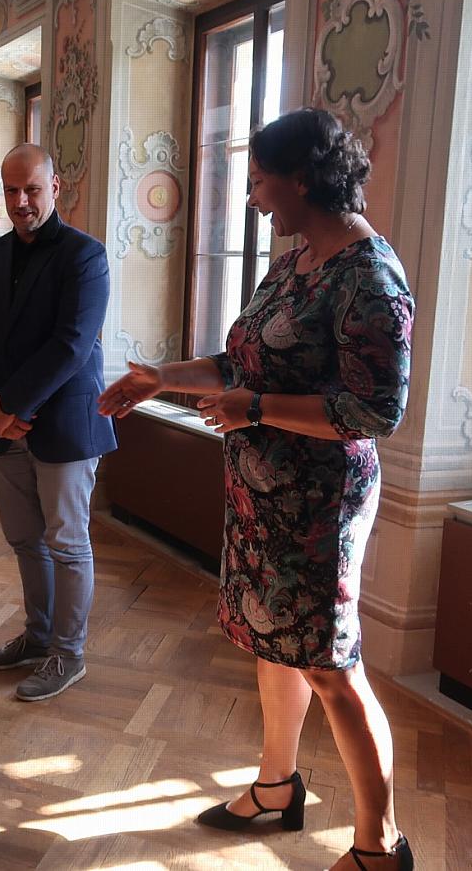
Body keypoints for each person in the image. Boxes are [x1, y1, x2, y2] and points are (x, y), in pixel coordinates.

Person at [99, 108, 414, 871]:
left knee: (332, 667)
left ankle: (381, 846)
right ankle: (277, 786)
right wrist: (160, 378)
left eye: (259, 180)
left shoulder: (369, 277)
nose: (252, 197)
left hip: (320, 504)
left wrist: (258, 410)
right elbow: (242, 364)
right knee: (276, 644)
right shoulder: (295, 263)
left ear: (302, 179)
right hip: (263, 494)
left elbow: (376, 411)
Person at [0, 143, 117, 702]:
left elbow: (71, 345)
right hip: (1, 420)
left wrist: (12, 406)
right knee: (25, 540)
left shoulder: (85, 255)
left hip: (63, 423)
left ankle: (68, 655)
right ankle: (38, 637)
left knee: (68, 544)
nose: (21, 201)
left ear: (55, 187)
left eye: (31, 189)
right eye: (11, 190)